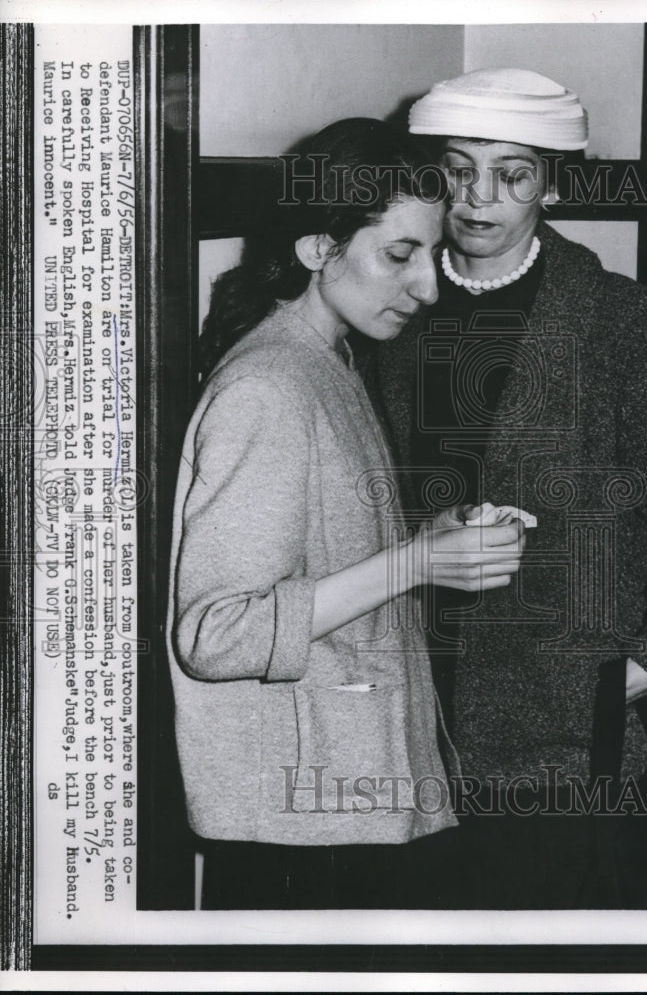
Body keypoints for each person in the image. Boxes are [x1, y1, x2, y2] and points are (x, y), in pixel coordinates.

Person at [368, 69, 647, 908]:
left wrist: (646, 668)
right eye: (457, 169)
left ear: (551, 181)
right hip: (397, 720)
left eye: (512, 173)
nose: (479, 197)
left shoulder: (621, 321)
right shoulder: (389, 307)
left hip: (562, 737)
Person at [166, 118, 525, 910]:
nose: (429, 286)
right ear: (317, 248)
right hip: (299, 834)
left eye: (432, 256)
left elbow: (316, 567)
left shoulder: (330, 358)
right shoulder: (270, 386)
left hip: (339, 805)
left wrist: (424, 543)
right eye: (400, 255)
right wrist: (414, 564)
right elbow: (215, 633)